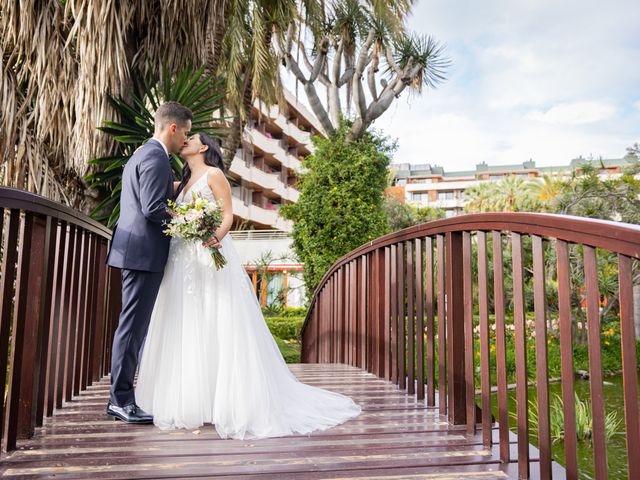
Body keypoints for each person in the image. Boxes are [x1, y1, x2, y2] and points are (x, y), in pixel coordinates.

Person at [135, 133, 361, 438]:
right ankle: (194, 399)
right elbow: (168, 208)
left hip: (207, 252)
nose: (185, 141)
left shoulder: (214, 175)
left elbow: (228, 214)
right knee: (187, 321)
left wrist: (215, 235)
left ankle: (227, 401)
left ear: (203, 148)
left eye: (192, 138)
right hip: (182, 258)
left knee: (216, 319)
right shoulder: (183, 181)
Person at [106, 101, 192, 423]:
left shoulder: (141, 153)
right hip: (143, 253)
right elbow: (154, 207)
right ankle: (121, 400)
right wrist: (189, 220)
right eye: (185, 132)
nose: (185, 139)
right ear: (173, 128)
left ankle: (121, 397)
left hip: (136, 250)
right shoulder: (157, 156)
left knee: (133, 327)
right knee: (132, 329)